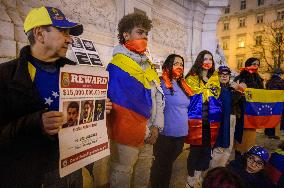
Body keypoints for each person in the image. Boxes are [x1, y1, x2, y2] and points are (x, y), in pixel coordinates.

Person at [0, 6, 112, 188]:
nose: (70, 39)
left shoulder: (77, 73)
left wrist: (99, 106)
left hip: (72, 168)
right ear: (39, 34)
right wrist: (36, 123)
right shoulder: (5, 76)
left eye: (70, 33)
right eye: (62, 31)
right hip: (30, 174)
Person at [107, 12, 164, 188]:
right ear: (126, 35)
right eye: (140, 32)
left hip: (150, 131)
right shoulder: (116, 65)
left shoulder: (148, 66)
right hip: (126, 132)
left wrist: (156, 126)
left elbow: (158, 98)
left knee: (143, 172)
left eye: (146, 33)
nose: (144, 37)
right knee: (122, 172)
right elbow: (118, 102)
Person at [150, 54, 193, 188]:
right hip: (165, 134)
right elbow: (154, 105)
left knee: (168, 165)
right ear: (168, 65)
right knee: (161, 166)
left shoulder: (183, 85)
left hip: (181, 134)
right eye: (176, 63)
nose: (179, 66)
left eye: (181, 64)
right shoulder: (161, 82)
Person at [185, 50, 222, 188]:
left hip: (211, 121)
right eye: (205, 59)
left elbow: (216, 96)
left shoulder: (215, 78)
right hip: (196, 120)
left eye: (210, 59)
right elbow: (192, 96)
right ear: (200, 60)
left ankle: (198, 176)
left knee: (207, 152)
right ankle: (190, 179)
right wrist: (206, 91)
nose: (208, 62)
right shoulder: (191, 78)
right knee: (195, 151)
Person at [210, 66, 246, 168]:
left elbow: (239, 102)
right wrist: (239, 90)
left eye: (227, 74)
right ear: (218, 76)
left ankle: (221, 168)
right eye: (222, 74)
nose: (224, 76)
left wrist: (238, 90)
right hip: (220, 120)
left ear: (230, 76)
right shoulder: (215, 87)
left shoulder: (231, 87)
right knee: (220, 146)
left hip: (232, 118)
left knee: (228, 147)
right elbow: (230, 101)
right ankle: (214, 171)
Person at [234, 57, 264, 157]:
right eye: (254, 64)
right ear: (247, 64)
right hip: (242, 111)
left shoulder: (259, 79)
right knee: (240, 135)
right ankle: (238, 157)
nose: (256, 66)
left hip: (253, 112)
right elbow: (234, 95)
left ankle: (247, 156)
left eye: (257, 64)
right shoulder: (240, 78)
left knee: (250, 136)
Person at [264, 69, 284, 139]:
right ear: (279, 74)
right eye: (281, 74)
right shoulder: (280, 81)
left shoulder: (269, 81)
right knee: (274, 117)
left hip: (269, 101)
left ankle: (267, 131)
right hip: (277, 102)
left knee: (269, 116)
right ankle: (271, 134)